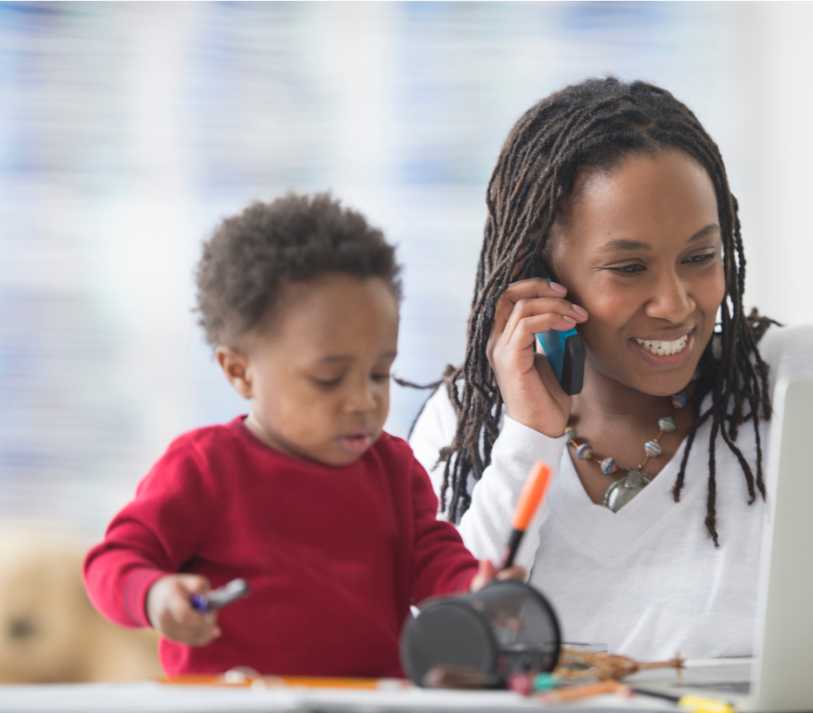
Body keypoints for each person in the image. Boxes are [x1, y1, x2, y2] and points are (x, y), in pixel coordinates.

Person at [410, 78, 813, 661]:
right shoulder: (467, 423)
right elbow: (451, 662)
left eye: (700, 257)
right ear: (540, 273)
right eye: (628, 267)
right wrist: (529, 437)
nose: (674, 303)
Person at [84, 193, 516, 678]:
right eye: (328, 379)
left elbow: (434, 561)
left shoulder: (392, 469)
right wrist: (154, 593)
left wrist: (476, 590)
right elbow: (113, 561)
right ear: (239, 370)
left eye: (379, 374)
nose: (363, 400)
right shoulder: (205, 467)